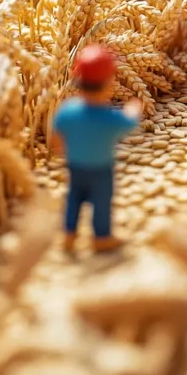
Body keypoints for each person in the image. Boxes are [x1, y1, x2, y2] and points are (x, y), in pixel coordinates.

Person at [51, 44, 141, 255]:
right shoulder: (108, 118)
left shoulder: (68, 109)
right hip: (100, 169)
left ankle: (69, 234)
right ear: (108, 84)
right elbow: (129, 124)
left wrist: (60, 151)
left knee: (74, 198)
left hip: (76, 165)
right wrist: (134, 108)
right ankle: (101, 237)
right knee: (101, 201)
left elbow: (56, 133)